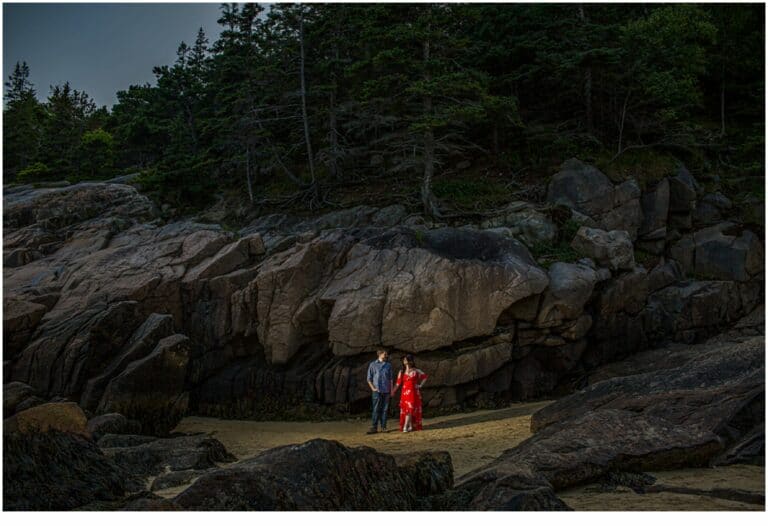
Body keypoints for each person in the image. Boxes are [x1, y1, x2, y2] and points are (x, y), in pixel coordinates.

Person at [392, 354, 428, 432]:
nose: (405, 361)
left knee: (410, 409)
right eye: (404, 360)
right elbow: (398, 383)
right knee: (407, 410)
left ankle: (405, 426)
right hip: (405, 394)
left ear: (410, 361)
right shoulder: (401, 372)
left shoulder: (416, 370)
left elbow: (425, 377)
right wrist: (393, 391)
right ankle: (410, 426)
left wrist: (420, 385)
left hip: (414, 393)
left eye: (406, 359)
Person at [366, 349, 393, 434]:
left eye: (386, 354)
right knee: (376, 409)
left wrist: (391, 390)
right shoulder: (372, 365)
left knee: (385, 409)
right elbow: (369, 379)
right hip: (376, 390)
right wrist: (373, 388)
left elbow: (391, 379)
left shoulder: (388, 365)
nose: (386, 355)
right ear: (379, 354)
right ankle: (374, 427)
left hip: (386, 390)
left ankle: (383, 427)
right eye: (384, 354)